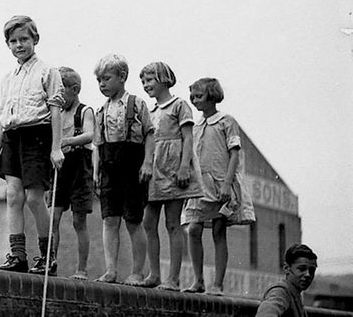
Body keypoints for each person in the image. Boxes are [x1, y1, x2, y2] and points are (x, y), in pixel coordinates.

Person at [0, 15, 64, 275]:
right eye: (13, 41)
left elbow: (55, 110)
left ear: (35, 39)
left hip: (37, 135)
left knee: (34, 197)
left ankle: (47, 256)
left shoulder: (48, 71)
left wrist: (56, 147)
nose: (19, 45)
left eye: (24, 39)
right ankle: (17, 254)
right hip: (12, 136)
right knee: (13, 195)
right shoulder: (7, 78)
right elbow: (0, 116)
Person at [182, 78, 256, 296]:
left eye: (199, 96)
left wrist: (226, 184)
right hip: (200, 186)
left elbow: (234, 154)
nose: (195, 101)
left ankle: (218, 283)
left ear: (212, 96)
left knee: (218, 230)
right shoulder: (196, 126)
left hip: (221, 183)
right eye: (193, 97)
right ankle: (198, 280)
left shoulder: (226, 121)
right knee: (193, 228)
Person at [140, 61, 202, 290]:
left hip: (175, 168)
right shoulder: (150, 110)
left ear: (164, 79)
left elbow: (188, 137)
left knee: (173, 223)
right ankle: (154, 274)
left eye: (150, 80)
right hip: (155, 170)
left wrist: (184, 166)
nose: (146, 85)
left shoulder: (179, 105)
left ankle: (173, 279)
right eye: (144, 81)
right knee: (148, 222)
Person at [93, 54, 154, 285]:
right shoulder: (100, 111)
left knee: (133, 220)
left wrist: (148, 163)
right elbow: (97, 146)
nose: (102, 84)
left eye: (106, 78)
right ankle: (110, 270)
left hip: (133, 165)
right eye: (99, 80)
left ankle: (137, 271)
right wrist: (97, 173)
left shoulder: (137, 104)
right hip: (109, 167)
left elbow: (150, 133)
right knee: (109, 219)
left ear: (122, 77)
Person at [48, 66, 95, 280]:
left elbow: (89, 135)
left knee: (78, 221)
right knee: (53, 217)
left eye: (61, 91)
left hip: (79, 167)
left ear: (74, 89)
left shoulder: (85, 111)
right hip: (60, 169)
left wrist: (66, 141)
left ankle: (82, 269)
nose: (57, 97)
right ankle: (50, 263)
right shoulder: (56, 113)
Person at [256, 244, 317, 317]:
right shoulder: (280, 292)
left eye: (312, 270)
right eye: (302, 269)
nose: (308, 275)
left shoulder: (295, 294)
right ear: (286, 268)